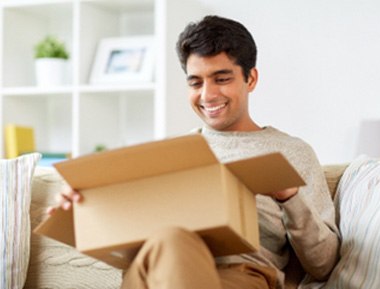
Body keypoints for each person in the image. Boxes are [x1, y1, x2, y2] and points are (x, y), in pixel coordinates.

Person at [50, 15, 340, 289]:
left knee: (173, 238)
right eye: (196, 82)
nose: (207, 95)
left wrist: (290, 197)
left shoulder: (291, 152)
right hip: (152, 273)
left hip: (238, 277)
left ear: (250, 79)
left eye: (221, 79)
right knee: (171, 239)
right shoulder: (170, 154)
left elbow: (324, 265)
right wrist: (86, 208)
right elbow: (128, 243)